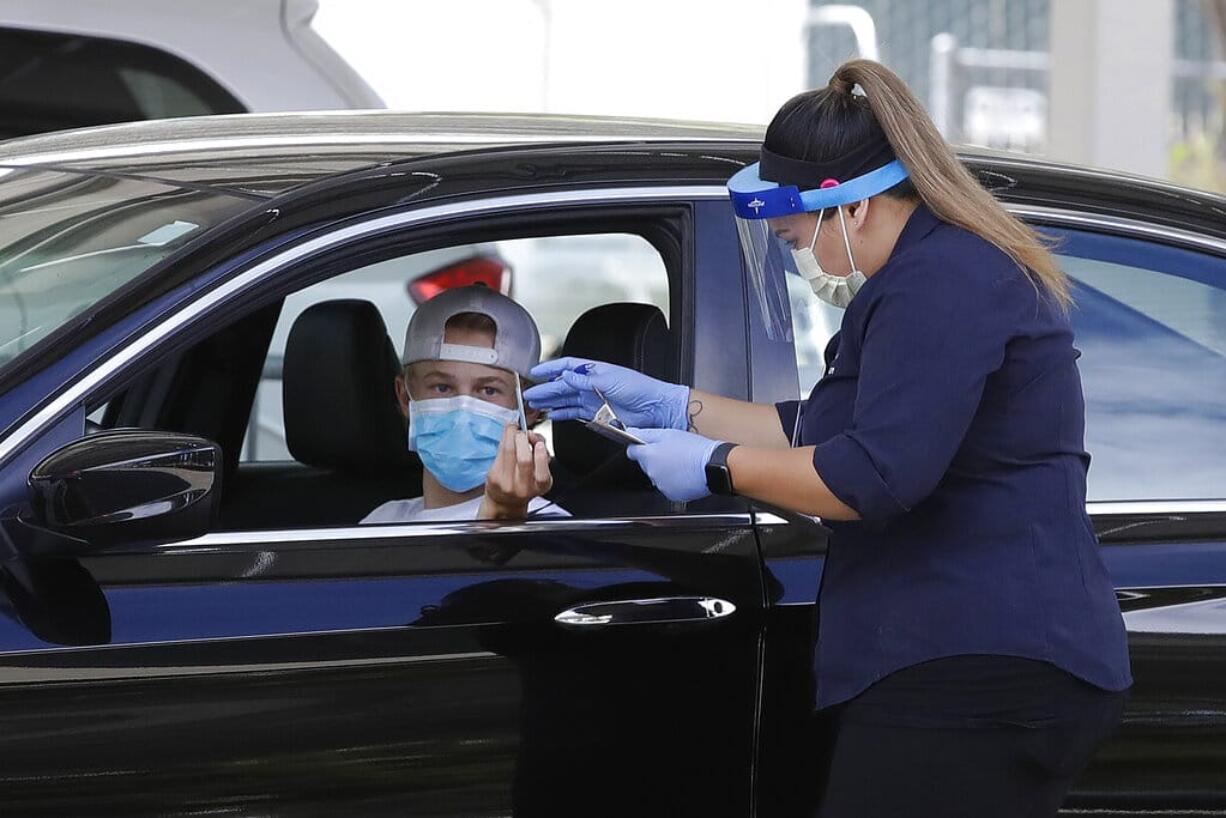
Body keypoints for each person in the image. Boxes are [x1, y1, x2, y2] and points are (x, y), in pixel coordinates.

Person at [524, 59, 1130, 817]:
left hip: (980, 662)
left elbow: (871, 475)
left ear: (851, 208)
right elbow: (815, 426)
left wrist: (717, 468)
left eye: (791, 236)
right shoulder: (922, 278)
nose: (794, 254)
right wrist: (671, 406)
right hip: (962, 654)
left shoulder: (945, 284)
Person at [363, 284, 564, 524]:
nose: (463, 412)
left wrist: (505, 517)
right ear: (406, 398)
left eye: (489, 390)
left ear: (529, 407)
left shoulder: (548, 525)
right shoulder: (380, 522)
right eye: (442, 387)